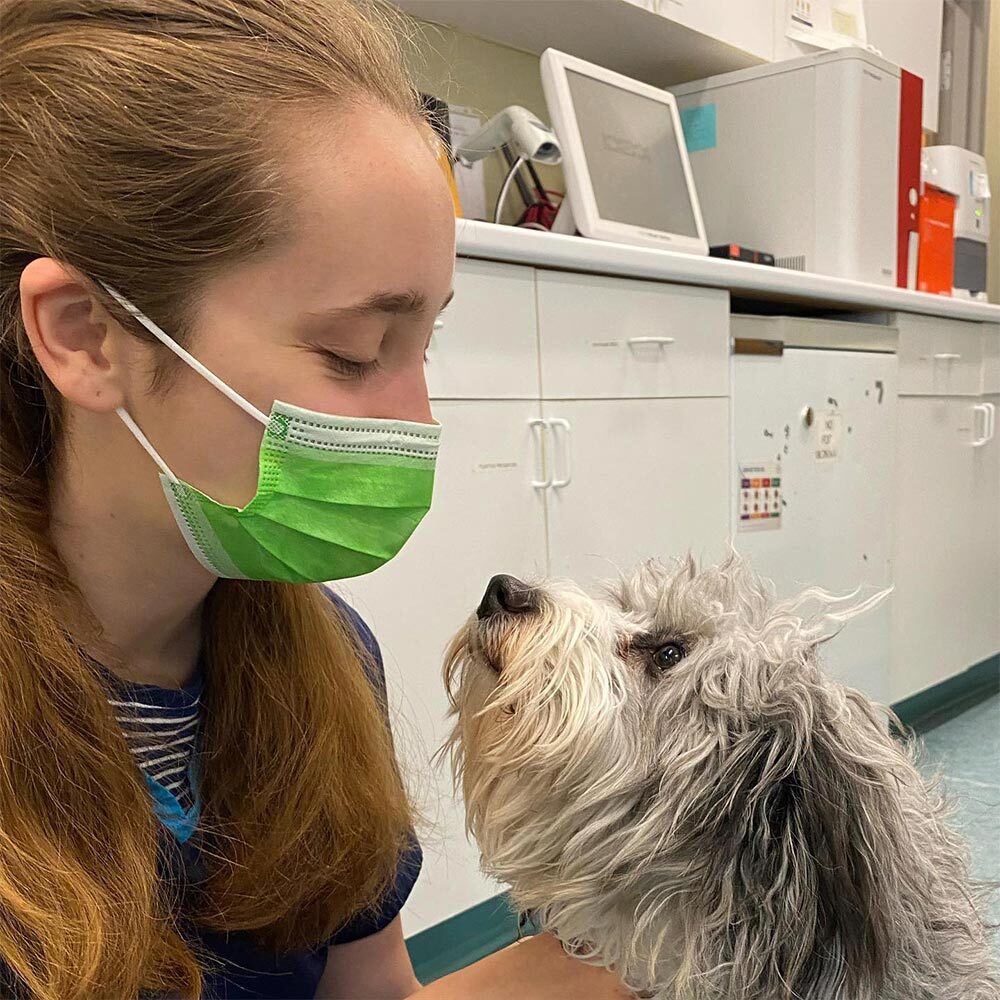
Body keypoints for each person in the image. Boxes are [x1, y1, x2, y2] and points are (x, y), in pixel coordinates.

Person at [0, 2, 631, 998]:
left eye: (424, 347)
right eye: (353, 352)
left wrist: (649, 950)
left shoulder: (322, 658)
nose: (415, 421)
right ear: (84, 334)